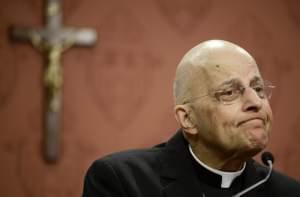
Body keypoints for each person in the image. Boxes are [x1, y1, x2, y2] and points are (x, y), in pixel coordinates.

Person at [82, 40, 300, 197]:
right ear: (188, 119)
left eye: (258, 88)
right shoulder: (121, 181)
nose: (256, 102)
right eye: (229, 93)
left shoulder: (288, 192)